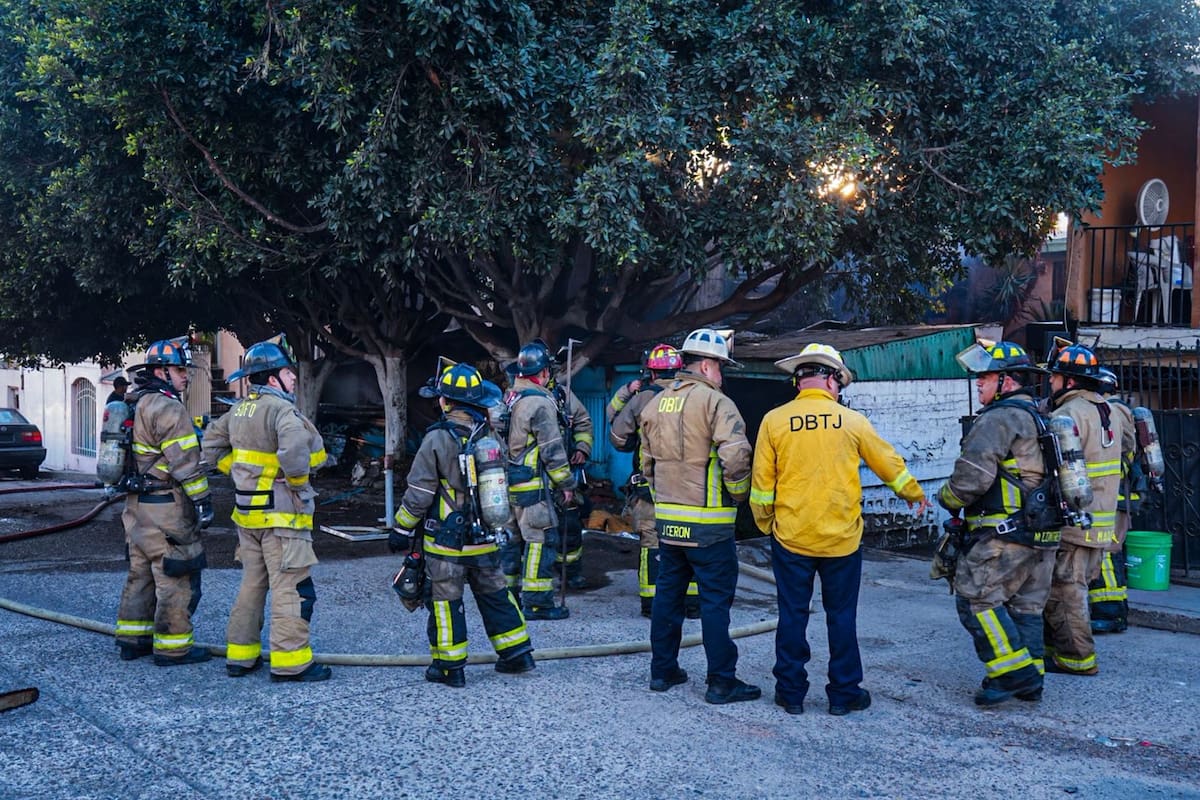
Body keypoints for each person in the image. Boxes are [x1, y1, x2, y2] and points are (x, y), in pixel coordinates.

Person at [751, 343, 928, 716]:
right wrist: (913, 492)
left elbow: (762, 485)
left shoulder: (774, 420)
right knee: (842, 617)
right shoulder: (852, 421)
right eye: (839, 381)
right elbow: (888, 463)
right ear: (830, 379)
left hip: (792, 536)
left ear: (800, 380)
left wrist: (768, 523)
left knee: (792, 614)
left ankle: (790, 693)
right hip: (842, 541)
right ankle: (845, 694)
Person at [392, 362, 535, 688]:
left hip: (446, 539)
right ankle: (517, 654)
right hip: (486, 534)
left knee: (445, 601)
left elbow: (419, 492)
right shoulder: (489, 436)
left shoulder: (437, 439)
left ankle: (449, 668)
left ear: (445, 402)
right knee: (496, 594)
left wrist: (400, 529)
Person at [638, 328, 758, 704]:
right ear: (706, 366)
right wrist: (739, 497)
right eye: (721, 367)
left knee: (666, 598)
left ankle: (663, 671)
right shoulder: (716, 403)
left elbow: (646, 464)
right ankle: (721, 681)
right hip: (709, 528)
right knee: (714, 604)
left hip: (668, 524)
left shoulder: (656, 404)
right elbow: (736, 456)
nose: (722, 375)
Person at [201, 335, 331, 682]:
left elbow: (211, 449)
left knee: (252, 586)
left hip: (248, 518)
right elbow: (294, 454)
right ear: (273, 378)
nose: (293, 380)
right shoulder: (281, 410)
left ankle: (240, 657)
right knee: (292, 587)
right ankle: (291, 663)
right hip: (282, 518)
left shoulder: (238, 410)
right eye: (289, 374)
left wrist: (241, 473)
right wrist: (299, 487)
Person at [936, 341, 1059, 706]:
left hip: (1004, 535)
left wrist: (947, 499)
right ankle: (1031, 680)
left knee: (976, 600)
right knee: (1025, 606)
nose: (979, 385)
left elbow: (971, 479)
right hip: (1043, 534)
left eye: (985, 377)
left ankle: (1011, 674)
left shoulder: (999, 419)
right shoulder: (1041, 415)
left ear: (1006, 381)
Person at [114, 337, 214, 666]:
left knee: (139, 572)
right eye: (180, 369)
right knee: (176, 573)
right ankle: (173, 648)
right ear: (160, 371)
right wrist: (202, 500)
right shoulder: (168, 407)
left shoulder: (132, 402)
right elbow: (186, 463)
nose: (186, 376)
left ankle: (133, 639)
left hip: (135, 507)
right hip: (165, 507)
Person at [1042, 342, 1130, 676]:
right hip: (1102, 521)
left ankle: (1078, 658)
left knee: (1066, 591)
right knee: (1071, 587)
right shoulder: (1108, 409)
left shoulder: (1068, 414)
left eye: (1056, 377)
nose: (1051, 382)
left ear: (1070, 381)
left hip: (1076, 522)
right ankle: (1055, 649)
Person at [608, 343, 700, 618]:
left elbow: (618, 438)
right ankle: (692, 603)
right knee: (689, 540)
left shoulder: (642, 398)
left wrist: (628, 394)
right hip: (690, 487)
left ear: (649, 372)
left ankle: (653, 603)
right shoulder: (699, 396)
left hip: (651, 486)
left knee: (652, 542)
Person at [500, 340, 576, 620]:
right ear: (543, 373)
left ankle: (507, 598)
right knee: (540, 541)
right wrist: (567, 485)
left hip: (506, 485)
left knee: (510, 541)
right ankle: (536, 603)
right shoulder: (540, 404)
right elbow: (553, 450)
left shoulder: (509, 398)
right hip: (534, 487)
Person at [1088, 367, 1139, 634]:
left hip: (1115, 494)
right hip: (1112, 494)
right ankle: (1114, 610)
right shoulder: (1109, 408)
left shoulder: (1113, 411)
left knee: (1107, 552)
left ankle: (1110, 613)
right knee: (1108, 552)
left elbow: (1124, 449)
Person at [547, 348, 594, 592]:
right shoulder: (516, 398)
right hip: (532, 475)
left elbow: (584, 422)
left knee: (570, 525)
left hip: (564, 470)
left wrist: (582, 448)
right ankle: (533, 580)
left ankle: (571, 573)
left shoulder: (563, 396)